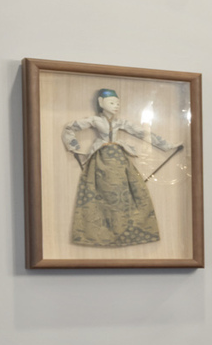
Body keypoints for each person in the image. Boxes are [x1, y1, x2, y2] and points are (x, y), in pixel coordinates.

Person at [62, 86, 181, 248]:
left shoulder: (121, 123)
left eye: (118, 103)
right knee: (101, 193)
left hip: (120, 158)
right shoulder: (95, 121)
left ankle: (130, 229)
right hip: (101, 159)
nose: (116, 106)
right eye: (112, 102)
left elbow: (142, 133)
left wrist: (167, 146)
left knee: (130, 190)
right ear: (101, 102)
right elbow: (70, 127)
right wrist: (73, 145)